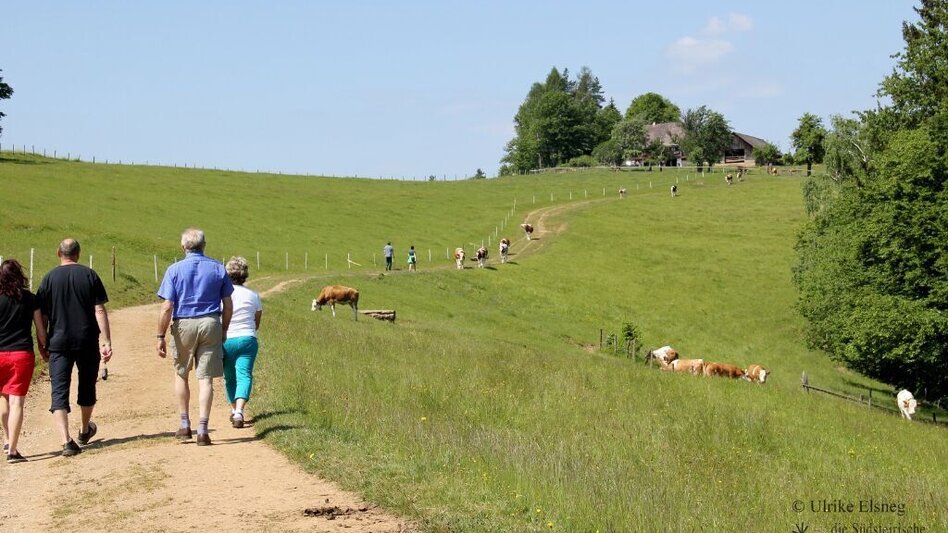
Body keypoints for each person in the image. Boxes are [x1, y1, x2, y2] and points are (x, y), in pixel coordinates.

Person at [156, 228, 233, 446]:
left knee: (181, 373)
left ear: (183, 247)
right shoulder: (218, 268)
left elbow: (167, 306)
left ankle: (184, 424)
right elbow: (228, 304)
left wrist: (160, 335)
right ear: (204, 245)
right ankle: (203, 428)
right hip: (210, 322)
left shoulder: (174, 270)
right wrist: (224, 329)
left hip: (184, 324)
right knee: (206, 378)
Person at [36, 239, 112, 457]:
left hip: (58, 342)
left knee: (59, 390)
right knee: (87, 385)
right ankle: (84, 429)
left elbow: (40, 315)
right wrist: (106, 341)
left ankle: (66, 441)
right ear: (78, 254)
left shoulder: (48, 278)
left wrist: (42, 341)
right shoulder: (89, 275)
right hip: (87, 339)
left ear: (58, 252)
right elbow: (99, 310)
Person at [0, 259, 48, 463]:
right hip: (21, 354)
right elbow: (40, 329)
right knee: (17, 401)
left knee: (3, 397)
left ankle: (6, 438)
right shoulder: (30, 299)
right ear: (20, 275)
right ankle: (13, 450)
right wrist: (44, 347)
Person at [221, 257, 262, 429]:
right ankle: (239, 411)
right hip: (247, 338)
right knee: (244, 375)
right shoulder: (253, 295)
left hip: (226, 339)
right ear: (245, 274)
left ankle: (233, 410)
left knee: (229, 377)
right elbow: (257, 321)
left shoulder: (221, 295)